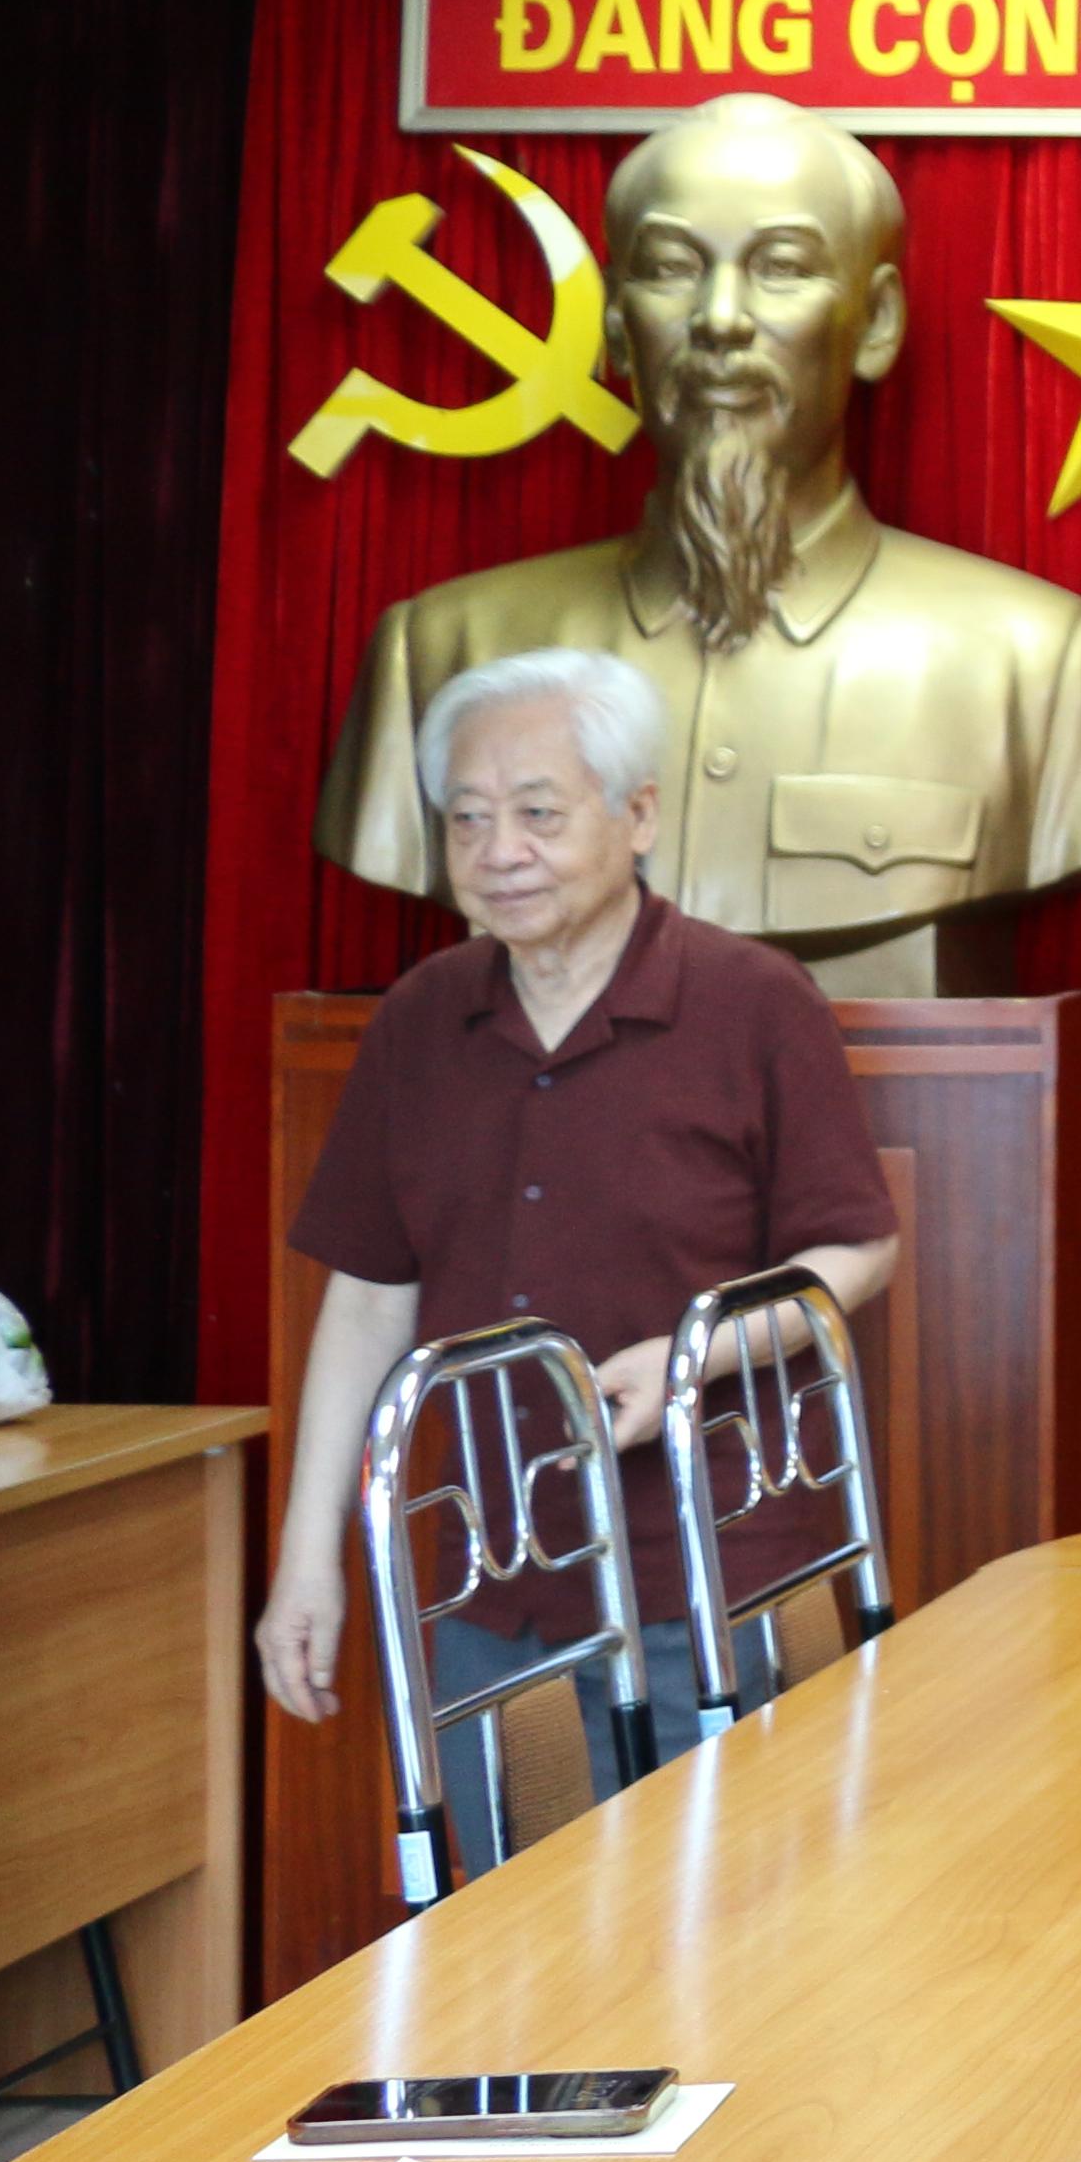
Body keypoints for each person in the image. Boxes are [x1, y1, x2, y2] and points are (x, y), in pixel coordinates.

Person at [261, 648, 902, 1868]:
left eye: (539, 814)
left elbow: (858, 1247)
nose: (500, 850)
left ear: (638, 815)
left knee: (743, 1934)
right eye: (468, 819)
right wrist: (309, 1563)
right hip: (495, 1592)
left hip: (717, 1583)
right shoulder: (420, 1020)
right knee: (523, 1943)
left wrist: (692, 1359)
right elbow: (369, 1305)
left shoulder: (752, 1001)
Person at [314, 95, 1081, 997]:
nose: (720, 318)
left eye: (782, 268)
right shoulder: (443, 654)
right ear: (616, 326)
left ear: (877, 322)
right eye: (671, 268)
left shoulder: (1041, 670)